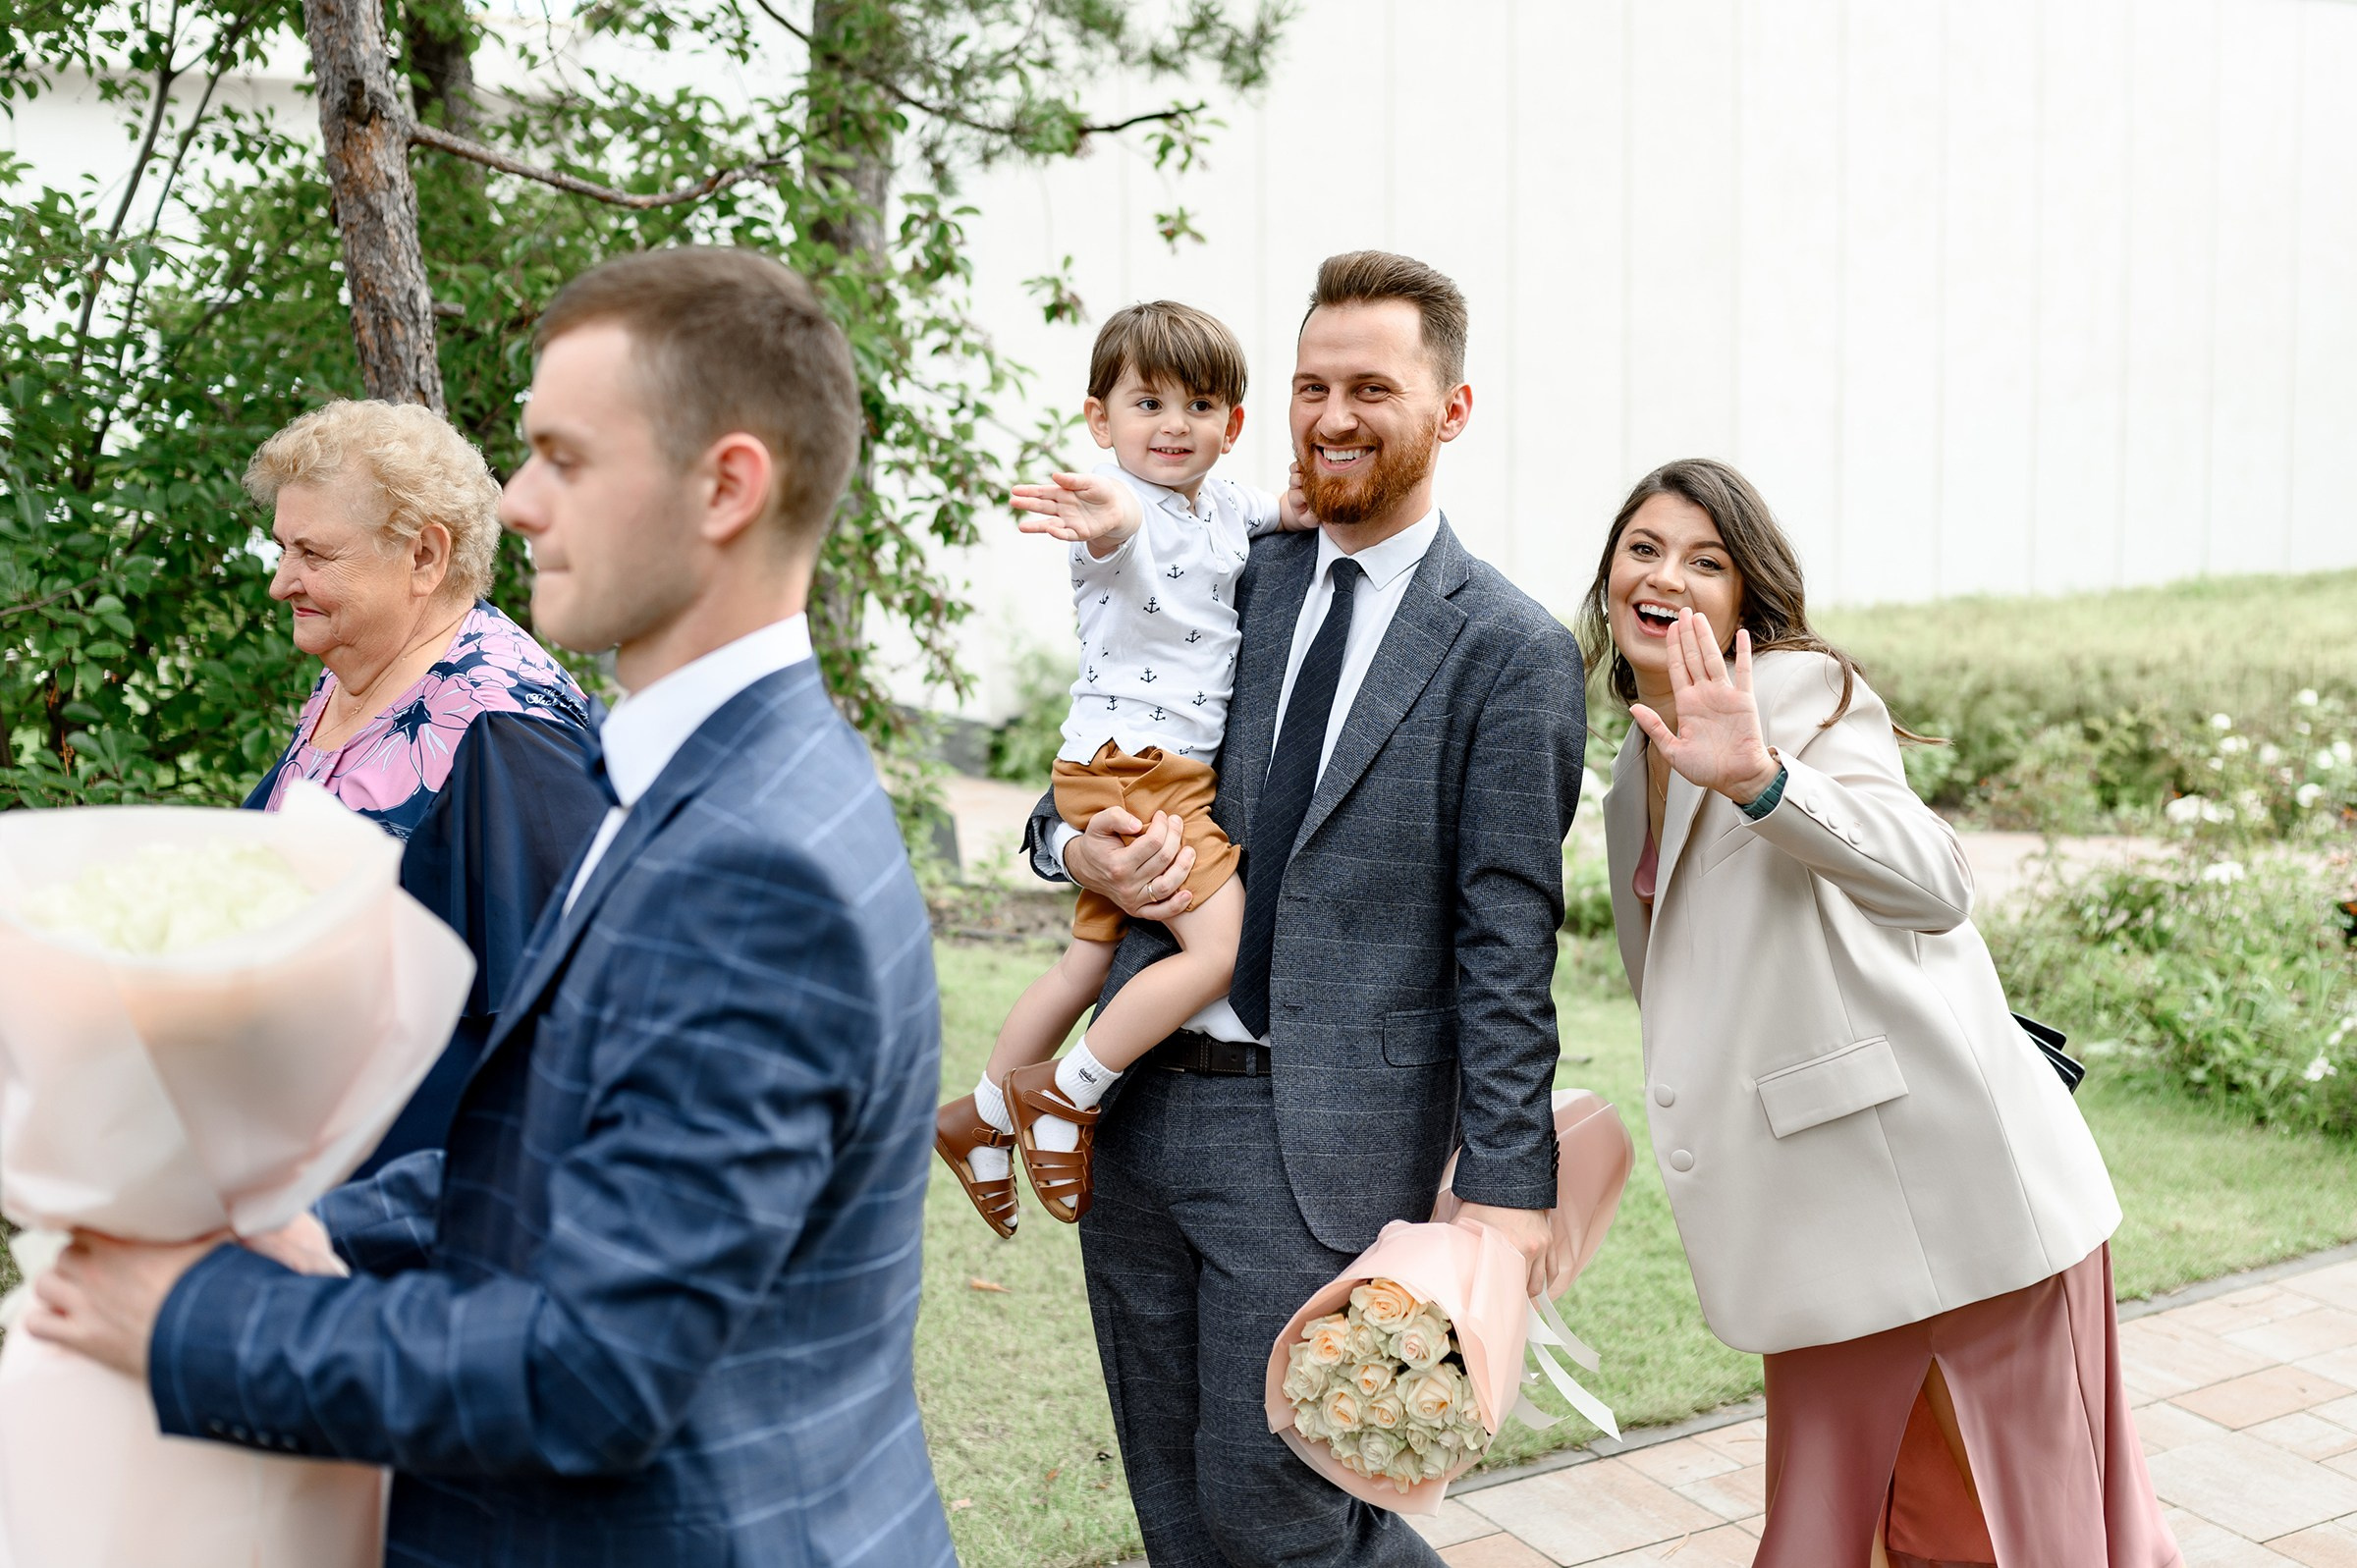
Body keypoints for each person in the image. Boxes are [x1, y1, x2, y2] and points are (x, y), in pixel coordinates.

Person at [27, 247, 957, 1568]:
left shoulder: (753, 864)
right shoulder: (725, 772)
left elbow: (593, 1371)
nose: (515, 505)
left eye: (563, 459)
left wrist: (188, 1319)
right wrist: (324, 1226)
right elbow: (560, 1145)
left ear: (727, 487)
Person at [1023, 251, 1586, 1567]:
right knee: (1176, 1515)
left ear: (1451, 408)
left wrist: (1508, 1191)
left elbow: (1507, 947)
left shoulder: (1510, 652)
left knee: (1282, 1522)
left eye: (1371, 388)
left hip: (1321, 1147)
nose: (1332, 416)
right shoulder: (1235, 571)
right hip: (1136, 1112)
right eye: (1310, 386)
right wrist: (1071, 846)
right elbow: (1102, 747)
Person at [1579, 457, 2178, 1567]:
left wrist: (1761, 779)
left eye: (1705, 561)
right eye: (1644, 549)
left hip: (1955, 1197)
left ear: (1746, 597)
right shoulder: (1633, 768)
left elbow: (1934, 880)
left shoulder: (1799, 692)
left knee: (2032, 1530)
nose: (1664, 577)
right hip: (1816, 1219)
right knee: (1836, 1529)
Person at [936, 299, 1309, 1235]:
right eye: (1148, 404)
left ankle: (979, 1113)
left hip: (1127, 770)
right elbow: (1118, 532)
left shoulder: (1225, 503)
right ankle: (1069, 1090)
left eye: (1200, 405)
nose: (1174, 426)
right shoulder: (1121, 507)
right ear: (1100, 421)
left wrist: (1299, 505)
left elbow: (1273, 510)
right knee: (1219, 951)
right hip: (1138, 770)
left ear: (1233, 423)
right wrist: (1108, 519)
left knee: (1086, 960)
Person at [241, 400, 609, 1174]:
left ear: (424, 556)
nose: (281, 583)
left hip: (403, 1200)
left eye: (313, 553)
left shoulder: (508, 733)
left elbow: (565, 1039)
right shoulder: (359, 667)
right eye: (282, 548)